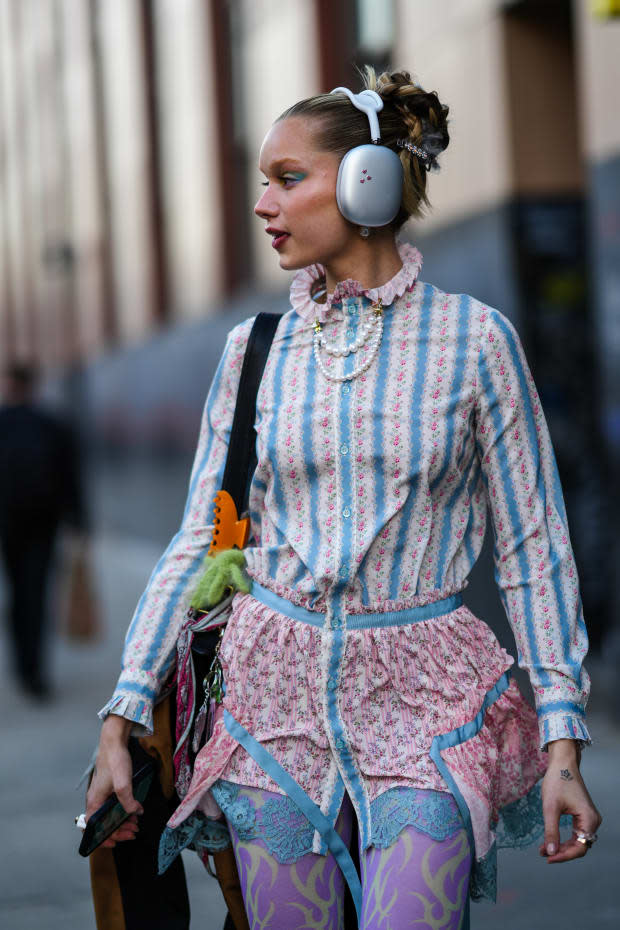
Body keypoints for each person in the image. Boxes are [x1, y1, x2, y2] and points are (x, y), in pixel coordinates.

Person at [87, 69, 602, 929]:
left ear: (369, 179)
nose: (264, 203)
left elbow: (534, 545)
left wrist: (561, 736)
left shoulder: (475, 340)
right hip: (272, 708)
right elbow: (196, 541)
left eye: (289, 178)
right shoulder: (254, 351)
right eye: (262, 181)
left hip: (426, 708)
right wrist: (123, 710)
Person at [0, 361, 87, 697]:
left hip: (10, 523)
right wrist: (79, 520)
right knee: (35, 593)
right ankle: (34, 671)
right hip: (44, 523)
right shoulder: (53, 425)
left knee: (18, 591)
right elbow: (71, 476)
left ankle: (23, 665)